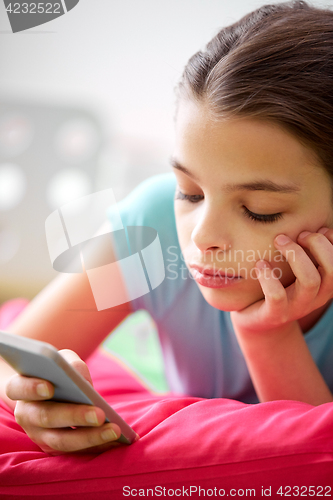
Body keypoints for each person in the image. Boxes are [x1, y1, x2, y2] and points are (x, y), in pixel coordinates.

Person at [1, 0, 333, 456]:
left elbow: (313, 460)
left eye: (259, 210)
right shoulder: (151, 228)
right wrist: (32, 400)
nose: (201, 237)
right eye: (189, 192)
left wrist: (267, 335)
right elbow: (13, 356)